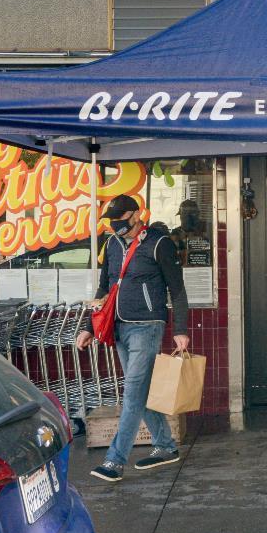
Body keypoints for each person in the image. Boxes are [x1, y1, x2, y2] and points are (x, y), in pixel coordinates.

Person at [75, 195, 190, 481]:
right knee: (143, 390)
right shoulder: (112, 244)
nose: (116, 226)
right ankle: (165, 446)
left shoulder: (160, 244)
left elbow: (177, 289)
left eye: (120, 219)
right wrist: (89, 326)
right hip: (118, 325)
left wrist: (180, 330)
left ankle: (115, 461)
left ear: (136, 215)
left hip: (147, 326)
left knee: (133, 393)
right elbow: (105, 288)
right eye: (111, 221)